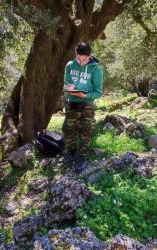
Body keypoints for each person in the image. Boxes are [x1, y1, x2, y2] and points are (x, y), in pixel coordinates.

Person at [62, 42, 103, 173]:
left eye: (84, 59)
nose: (80, 61)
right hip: (71, 102)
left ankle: (82, 157)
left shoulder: (96, 70)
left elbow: (98, 92)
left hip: (87, 104)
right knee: (68, 129)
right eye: (78, 58)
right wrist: (69, 90)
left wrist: (84, 95)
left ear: (90, 56)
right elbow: (66, 84)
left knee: (85, 131)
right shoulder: (70, 65)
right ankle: (71, 152)